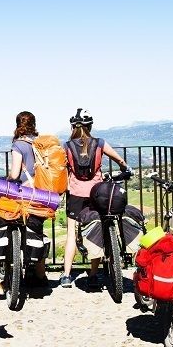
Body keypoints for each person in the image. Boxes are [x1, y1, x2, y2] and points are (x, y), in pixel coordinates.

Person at [61, 108, 129, 289]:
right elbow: (120, 161)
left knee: (71, 234)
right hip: (97, 194)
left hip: (75, 193)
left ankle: (67, 276)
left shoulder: (66, 146)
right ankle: (92, 274)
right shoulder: (99, 143)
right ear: (90, 126)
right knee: (97, 231)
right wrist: (125, 169)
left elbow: (62, 169)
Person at [4, 111, 49, 285]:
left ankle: (12, 270)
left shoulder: (18, 145)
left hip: (24, 193)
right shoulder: (40, 143)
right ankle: (40, 275)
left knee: (13, 225)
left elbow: (15, 173)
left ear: (17, 125)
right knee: (36, 232)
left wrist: (7, 179)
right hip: (42, 193)